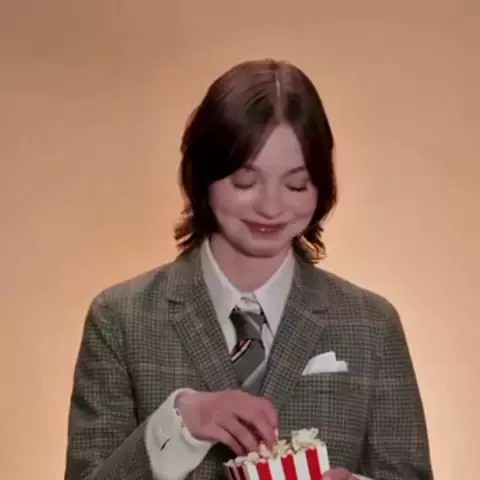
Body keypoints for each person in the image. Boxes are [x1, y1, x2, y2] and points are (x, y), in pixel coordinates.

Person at [64, 59, 433, 480]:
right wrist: (182, 424)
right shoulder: (121, 318)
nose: (271, 207)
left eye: (296, 185)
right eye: (245, 181)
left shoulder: (371, 324)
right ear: (202, 175)